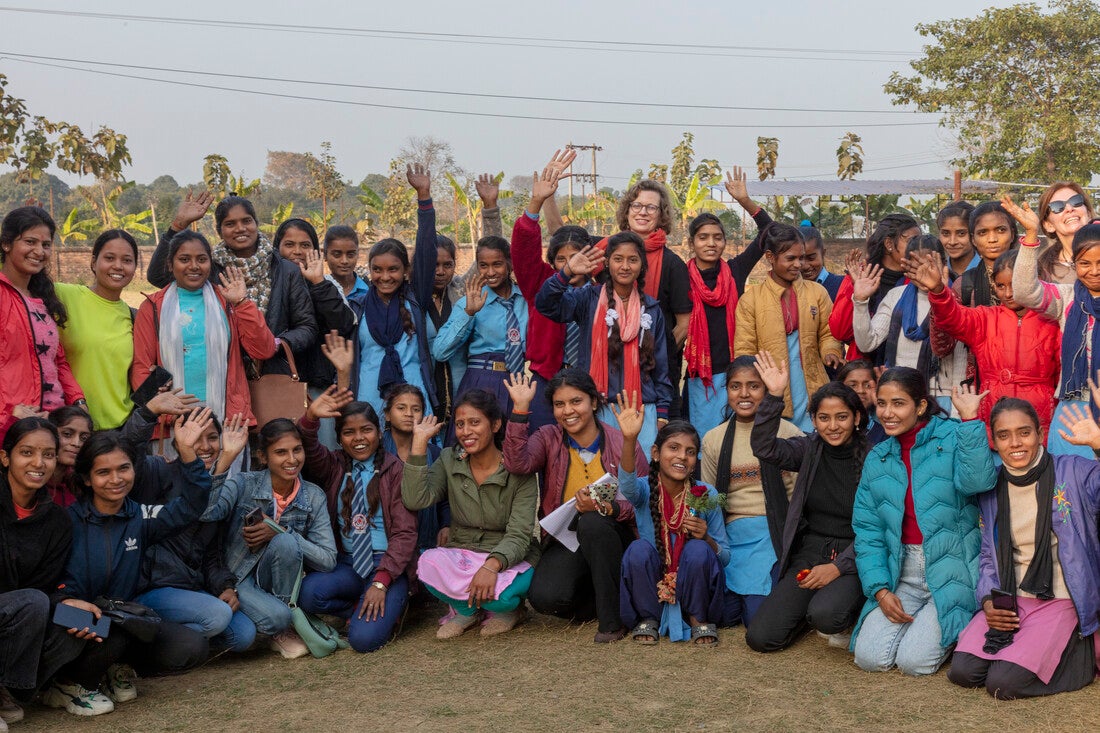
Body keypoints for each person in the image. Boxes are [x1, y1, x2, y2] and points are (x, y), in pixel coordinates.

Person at [47, 417, 214, 716]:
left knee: (191, 646)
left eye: (123, 468)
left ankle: (112, 669)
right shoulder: (65, 521)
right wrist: (65, 601)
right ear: (86, 479)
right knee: (117, 630)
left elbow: (191, 505)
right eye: (103, 472)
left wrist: (188, 453)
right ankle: (67, 684)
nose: (116, 479)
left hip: (115, 618)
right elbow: (43, 584)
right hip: (67, 616)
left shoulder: (140, 516)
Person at [948, 399, 1100, 699]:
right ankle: (1030, 648)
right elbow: (990, 555)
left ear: (1040, 434)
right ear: (994, 441)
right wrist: (989, 600)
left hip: (1060, 598)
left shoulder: (1073, 471)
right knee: (963, 672)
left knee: (1004, 684)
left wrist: (1099, 445)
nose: (1015, 443)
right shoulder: (993, 487)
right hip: (1013, 598)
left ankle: (1080, 658)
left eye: (1024, 432)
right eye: (1004, 435)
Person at [850, 368, 996, 676]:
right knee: (869, 658)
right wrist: (879, 590)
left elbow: (979, 483)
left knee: (915, 663)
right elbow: (868, 532)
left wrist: (971, 422)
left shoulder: (954, 436)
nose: (887, 413)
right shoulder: (878, 458)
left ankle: (957, 624)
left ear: (920, 406)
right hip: (903, 572)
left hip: (952, 567)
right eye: (882, 403)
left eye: (898, 403)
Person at [502, 371, 647, 643]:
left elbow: (641, 502)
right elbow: (517, 464)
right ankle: (611, 597)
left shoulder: (621, 442)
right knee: (546, 599)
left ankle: (612, 622)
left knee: (593, 522)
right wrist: (520, 409)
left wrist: (606, 508)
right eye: (559, 404)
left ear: (593, 402)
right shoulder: (548, 437)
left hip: (615, 533)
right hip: (567, 537)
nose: (568, 411)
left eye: (576, 401)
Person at [743, 356, 869, 653]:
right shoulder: (808, 449)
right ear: (813, 421)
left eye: (842, 417)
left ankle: (851, 608)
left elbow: (877, 530)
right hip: (812, 551)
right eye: (824, 418)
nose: (833, 426)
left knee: (826, 614)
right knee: (761, 637)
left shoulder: (874, 458)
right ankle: (810, 609)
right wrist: (774, 396)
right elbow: (764, 447)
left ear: (857, 418)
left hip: (857, 555)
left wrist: (838, 568)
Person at [401, 390, 539, 639]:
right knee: (427, 564)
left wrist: (491, 566)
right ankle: (466, 611)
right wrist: (419, 443)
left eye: (475, 422)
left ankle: (511, 611)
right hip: (463, 550)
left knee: (504, 598)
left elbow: (519, 534)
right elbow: (416, 498)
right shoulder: (449, 459)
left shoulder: (518, 469)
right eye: (461, 424)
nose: (466, 431)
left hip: (508, 554)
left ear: (495, 424)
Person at [202, 419, 337, 659]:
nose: (292, 459)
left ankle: (279, 628)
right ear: (263, 457)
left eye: (297, 450)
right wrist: (226, 457)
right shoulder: (243, 483)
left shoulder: (313, 496)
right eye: (281, 452)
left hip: (277, 583)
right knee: (277, 617)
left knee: (286, 542)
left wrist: (280, 531)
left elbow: (327, 560)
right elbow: (208, 512)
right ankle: (278, 623)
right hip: (237, 579)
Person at [296, 389, 418, 653]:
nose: (359, 438)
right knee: (306, 594)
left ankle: (390, 604)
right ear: (339, 438)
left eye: (366, 430)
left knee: (362, 640)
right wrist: (310, 417)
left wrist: (381, 581)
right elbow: (307, 446)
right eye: (349, 432)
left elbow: (406, 534)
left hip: (387, 566)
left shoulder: (396, 470)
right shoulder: (334, 465)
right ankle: (358, 606)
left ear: (379, 431)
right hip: (348, 564)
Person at [148, 191, 317, 377]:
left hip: (273, 375)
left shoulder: (285, 271)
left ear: (255, 224)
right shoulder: (209, 269)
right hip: (222, 376)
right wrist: (178, 225)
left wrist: (276, 343)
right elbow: (158, 276)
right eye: (230, 224)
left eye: (246, 221)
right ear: (219, 231)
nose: (240, 228)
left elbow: (307, 327)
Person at [129, 411, 257, 655]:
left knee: (244, 635)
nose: (205, 446)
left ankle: (175, 642)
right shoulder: (158, 472)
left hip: (191, 589)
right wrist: (147, 411)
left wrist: (225, 588)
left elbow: (213, 555)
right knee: (217, 617)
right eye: (196, 437)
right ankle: (138, 642)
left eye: (212, 437)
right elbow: (129, 452)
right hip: (152, 589)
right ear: (178, 439)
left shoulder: (217, 488)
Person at [132, 230, 276, 444]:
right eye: (184, 259)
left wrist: (242, 303)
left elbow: (263, 349)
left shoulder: (228, 301)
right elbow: (141, 366)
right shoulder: (152, 307)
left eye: (201, 259)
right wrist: (156, 398)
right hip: (172, 422)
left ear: (210, 263)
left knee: (226, 476)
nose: (194, 266)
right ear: (170, 265)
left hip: (226, 420)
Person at [536, 234, 673, 452]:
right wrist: (567, 272)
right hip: (596, 410)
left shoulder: (652, 310)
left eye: (633, 260)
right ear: (607, 262)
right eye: (618, 259)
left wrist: (662, 418)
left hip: (642, 413)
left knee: (638, 480)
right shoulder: (588, 299)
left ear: (642, 265)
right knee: (600, 481)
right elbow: (545, 304)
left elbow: (661, 368)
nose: (625, 266)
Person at [909, 249, 1060, 439]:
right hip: (994, 414)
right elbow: (953, 318)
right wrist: (938, 291)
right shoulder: (986, 318)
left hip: (1040, 419)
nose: (1008, 293)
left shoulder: (1053, 321)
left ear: (1032, 281)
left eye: (1014, 285)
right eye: (1000, 286)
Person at [699, 356, 801, 627]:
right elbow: (712, 499)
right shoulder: (713, 439)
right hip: (731, 536)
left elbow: (798, 495)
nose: (744, 394)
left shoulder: (788, 432)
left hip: (773, 534)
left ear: (766, 389)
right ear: (727, 390)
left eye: (754, 386)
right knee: (723, 616)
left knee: (756, 618)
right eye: (735, 386)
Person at [0, 418, 88, 726]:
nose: (39, 463)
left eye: (48, 454)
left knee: (83, 622)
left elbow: (45, 586)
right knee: (34, 603)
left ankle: (11, 689)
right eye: (27, 452)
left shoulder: (57, 521)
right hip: (15, 608)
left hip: (25, 611)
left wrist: (68, 603)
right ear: (5, 457)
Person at [617, 417, 731, 645]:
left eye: (690, 452)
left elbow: (725, 557)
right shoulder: (644, 489)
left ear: (694, 460)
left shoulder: (706, 494)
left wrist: (707, 538)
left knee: (698, 549)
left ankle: (698, 618)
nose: (682, 456)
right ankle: (649, 617)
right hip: (654, 586)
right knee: (638, 549)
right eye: (674, 448)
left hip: (694, 584)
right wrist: (629, 439)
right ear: (656, 454)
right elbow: (626, 485)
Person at [1006, 195, 1100, 458]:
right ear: (1074, 265)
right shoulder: (1067, 299)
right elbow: (1024, 291)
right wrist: (1031, 236)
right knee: (1068, 495)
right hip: (1073, 410)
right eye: (1084, 263)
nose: (1093, 271)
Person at [683, 167, 771, 437]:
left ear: (724, 242)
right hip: (701, 377)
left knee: (739, 441)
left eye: (717, 237)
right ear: (692, 243)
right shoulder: (680, 276)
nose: (711, 243)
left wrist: (745, 201)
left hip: (737, 375)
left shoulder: (735, 271)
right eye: (703, 237)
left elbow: (768, 230)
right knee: (702, 444)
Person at [734, 223, 843, 432]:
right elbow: (744, 351)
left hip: (811, 382)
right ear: (770, 257)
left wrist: (830, 351)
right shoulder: (751, 300)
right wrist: (753, 387)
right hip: (771, 387)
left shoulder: (817, 293)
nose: (799, 264)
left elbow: (828, 332)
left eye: (801, 258)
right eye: (790, 259)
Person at [510, 150, 592, 430]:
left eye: (577, 256)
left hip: (592, 382)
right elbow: (522, 251)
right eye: (562, 259)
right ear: (552, 261)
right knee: (546, 450)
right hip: (545, 378)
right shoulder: (541, 283)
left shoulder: (602, 288)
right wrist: (537, 201)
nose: (572, 265)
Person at [0, 206, 85, 445]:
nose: (39, 251)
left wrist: (78, 401)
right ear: (6, 244)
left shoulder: (42, 299)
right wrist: (7, 412)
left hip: (52, 426)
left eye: (46, 244)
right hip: (13, 429)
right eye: (30, 241)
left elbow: (57, 361)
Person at [852, 235, 965, 412]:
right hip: (898, 394)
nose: (922, 273)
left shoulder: (955, 299)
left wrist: (957, 412)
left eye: (928, 265)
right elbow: (867, 343)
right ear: (905, 266)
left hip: (942, 397)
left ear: (943, 263)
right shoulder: (896, 296)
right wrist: (860, 301)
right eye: (914, 265)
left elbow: (960, 359)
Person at [272, 218, 356, 447]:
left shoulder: (327, 283)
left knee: (322, 454)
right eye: (289, 244)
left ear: (316, 251)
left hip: (318, 389)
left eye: (305, 245)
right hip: (277, 388)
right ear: (277, 247)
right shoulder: (267, 285)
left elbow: (344, 324)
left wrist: (317, 282)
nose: (297, 251)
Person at [55, 229, 138, 430]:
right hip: (71, 427)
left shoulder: (134, 316)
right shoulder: (63, 295)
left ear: (135, 267)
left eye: (127, 260)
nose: (118, 266)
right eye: (109, 258)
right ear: (93, 262)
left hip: (120, 429)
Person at [348, 237, 437, 419]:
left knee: (416, 447)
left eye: (393, 269)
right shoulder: (357, 307)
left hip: (412, 395)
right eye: (377, 270)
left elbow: (426, 250)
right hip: (370, 395)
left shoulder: (416, 301)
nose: (385, 277)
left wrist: (425, 208)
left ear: (406, 270)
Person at [830, 214, 922, 365]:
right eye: (912, 241)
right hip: (864, 370)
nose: (918, 247)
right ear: (889, 244)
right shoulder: (860, 274)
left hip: (902, 368)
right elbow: (839, 331)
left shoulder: (918, 278)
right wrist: (854, 291)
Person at [378, 384, 448, 552]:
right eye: (401, 408)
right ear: (387, 415)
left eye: (416, 409)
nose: (409, 414)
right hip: (386, 544)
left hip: (426, 544)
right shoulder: (377, 452)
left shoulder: (436, 453)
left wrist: (446, 525)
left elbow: (444, 498)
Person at [1034, 182, 1095, 284]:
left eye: (1076, 201)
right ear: (1048, 225)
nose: (1069, 209)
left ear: (1088, 213)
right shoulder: (1043, 273)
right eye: (1057, 207)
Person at [45, 405, 93, 507]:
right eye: (67, 434)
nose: (76, 443)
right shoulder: (32, 479)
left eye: (84, 438)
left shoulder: (83, 484)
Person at [835, 359, 886, 445]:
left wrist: (881, 402)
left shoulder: (883, 427)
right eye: (853, 385)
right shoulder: (831, 424)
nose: (861, 390)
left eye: (867, 385)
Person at [799, 222, 844, 300]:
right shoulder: (789, 289)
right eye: (800, 259)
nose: (805, 266)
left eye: (811, 258)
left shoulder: (841, 286)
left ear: (823, 253)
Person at [323, 225, 368, 302]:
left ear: (357, 254)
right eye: (337, 255)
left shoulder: (368, 291)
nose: (344, 261)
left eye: (350, 255)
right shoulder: (320, 291)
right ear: (325, 255)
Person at [936, 201, 978, 283]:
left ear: (974, 234)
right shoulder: (936, 272)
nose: (952, 242)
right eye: (945, 233)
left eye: (961, 233)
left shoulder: (987, 270)